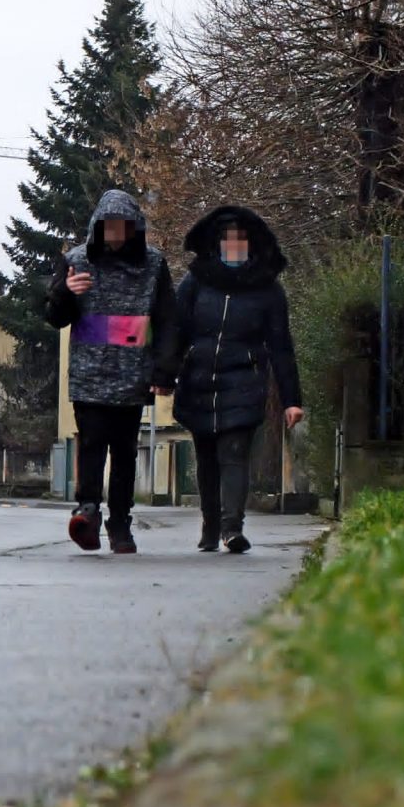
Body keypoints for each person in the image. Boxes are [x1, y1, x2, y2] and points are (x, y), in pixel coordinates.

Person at [45, 189, 178, 554]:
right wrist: (66, 292)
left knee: (125, 452)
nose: (115, 233)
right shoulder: (76, 261)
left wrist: (164, 372)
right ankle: (87, 512)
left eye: (123, 226)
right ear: (97, 227)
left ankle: (121, 523)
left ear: (134, 228)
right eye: (109, 226)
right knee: (90, 445)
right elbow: (55, 317)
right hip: (89, 374)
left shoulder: (153, 264)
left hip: (133, 374)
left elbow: (168, 320)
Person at [172, 205, 304, 553]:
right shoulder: (195, 282)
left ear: (251, 243)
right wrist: (161, 375)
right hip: (199, 382)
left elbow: (281, 347)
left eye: (240, 239)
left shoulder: (268, 290)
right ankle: (210, 524)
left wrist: (292, 399)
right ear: (216, 243)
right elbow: (176, 331)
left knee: (234, 453)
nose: (233, 245)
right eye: (227, 239)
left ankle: (232, 528)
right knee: (206, 458)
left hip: (244, 381)